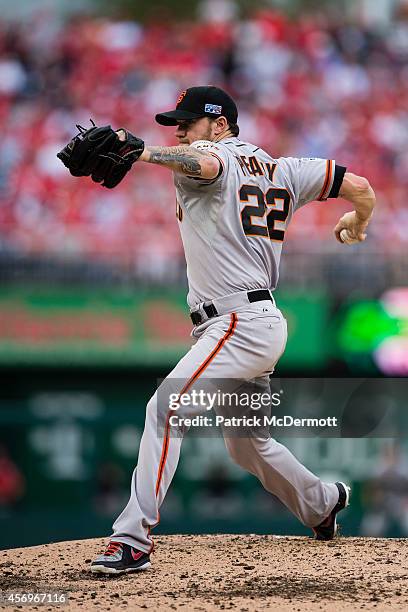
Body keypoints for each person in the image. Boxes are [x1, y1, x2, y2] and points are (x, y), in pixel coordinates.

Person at [90, 85, 376, 574]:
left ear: (220, 125)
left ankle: (132, 539)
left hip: (237, 322)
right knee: (247, 443)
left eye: (188, 122)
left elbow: (208, 166)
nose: (179, 130)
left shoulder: (211, 153)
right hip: (255, 322)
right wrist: (358, 219)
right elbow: (361, 186)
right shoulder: (286, 168)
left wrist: (142, 151)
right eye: (175, 124)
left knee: (165, 408)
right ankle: (323, 502)